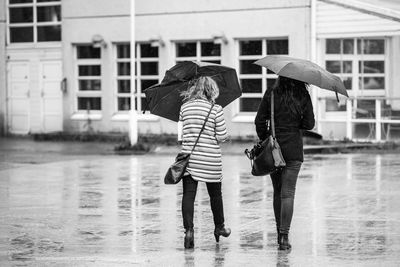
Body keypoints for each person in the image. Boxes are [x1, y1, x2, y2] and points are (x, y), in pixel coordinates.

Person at [254, 76, 315, 250]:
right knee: (288, 193)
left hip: (274, 150)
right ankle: (284, 237)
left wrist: (266, 137)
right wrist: (298, 123)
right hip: (294, 149)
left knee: (278, 192)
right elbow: (310, 124)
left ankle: (278, 232)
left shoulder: (272, 93)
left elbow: (259, 120)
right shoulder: (302, 94)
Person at [178, 76, 231, 249]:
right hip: (210, 160)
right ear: (211, 90)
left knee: (188, 195)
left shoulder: (184, 107)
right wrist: (222, 136)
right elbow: (221, 136)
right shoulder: (216, 109)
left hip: (190, 159)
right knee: (215, 195)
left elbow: (181, 136)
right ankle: (219, 226)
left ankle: (189, 231)